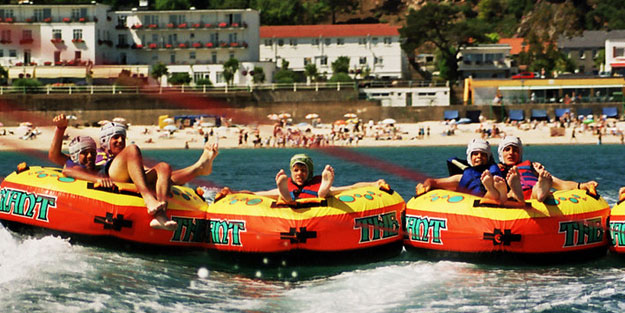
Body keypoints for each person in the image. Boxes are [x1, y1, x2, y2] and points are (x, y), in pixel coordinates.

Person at [48, 114, 219, 229]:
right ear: (105, 141)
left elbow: (149, 173)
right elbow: (62, 164)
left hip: (126, 175)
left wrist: (161, 175)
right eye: (115, 137)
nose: (120, 140)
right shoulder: (90, 156)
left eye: (122, 137)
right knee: (133, 150)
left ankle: (161, 213)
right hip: (110, 175)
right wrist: (60, 129)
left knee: (164, 168)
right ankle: (149, 200)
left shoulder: (125, 158)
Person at [234, 153, 387, 203]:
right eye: (296, 170)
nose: (299, 174)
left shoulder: (316, 184)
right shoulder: (287, 186)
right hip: (290, 200)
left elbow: (352, 187)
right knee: (279, 194)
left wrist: (375, 183)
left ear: (310, 172)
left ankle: (323, 191)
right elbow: (255, 194)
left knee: (327, 193)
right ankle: (286, 196)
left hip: (318, 197)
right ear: (291, 172)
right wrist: (233, 194)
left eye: (303, 170)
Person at [492, 135, 598, 203]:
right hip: (512, 196)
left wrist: (582, 185)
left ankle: (541, 188)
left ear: (520, 154)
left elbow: (560, 184)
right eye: (507, 149)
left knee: (539, 187)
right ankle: (517, 188)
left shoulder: (533, 167)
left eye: (515, 150)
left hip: (533, 193)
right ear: (501, 153)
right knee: (511, 194)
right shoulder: (497, 170)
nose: (511, 153)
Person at [415, 138, 505, 199]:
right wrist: (426, 184)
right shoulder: (462, 177)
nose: (479, 156)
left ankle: (492, 190)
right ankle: (491, 190)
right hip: (474, 205)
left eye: (483, 154)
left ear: (488, 157)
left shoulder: (494, 172)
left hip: (493, 197)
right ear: (470, 157)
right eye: (475, 154)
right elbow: (434, 182)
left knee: (496, 185)